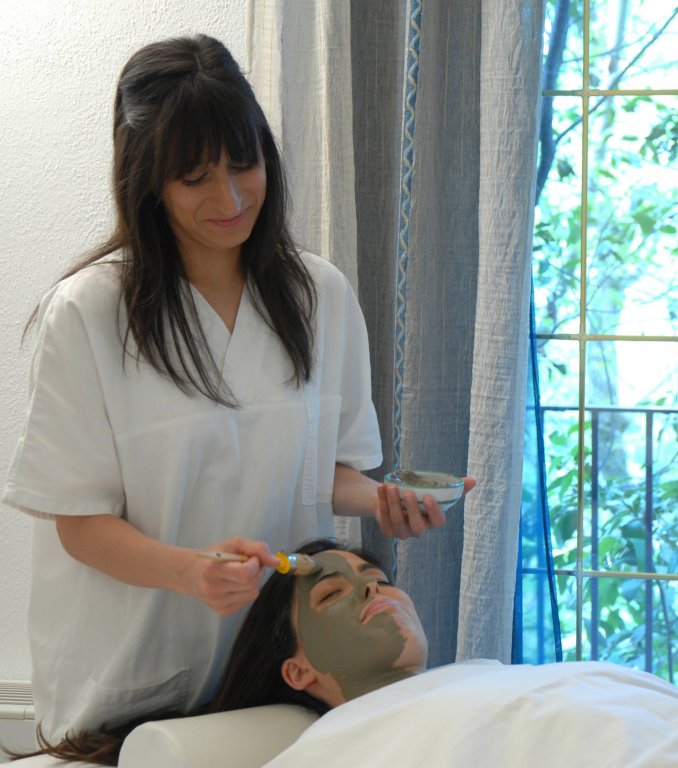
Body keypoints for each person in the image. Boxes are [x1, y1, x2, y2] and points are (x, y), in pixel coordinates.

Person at [2, 34, 476, 744]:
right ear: (147, 180)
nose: (229, 197)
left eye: (243, 163)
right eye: (194, 177)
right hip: (130, 673)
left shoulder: (319, 295)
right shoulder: (91, 313)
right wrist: (189, 572)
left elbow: (321, 471)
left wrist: (383, 501)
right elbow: (80, 522)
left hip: (275, 674)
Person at [12, 539, 678, 767]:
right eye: (331, 594)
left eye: (377, 579)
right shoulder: (341, 750)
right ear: (297, 670)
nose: (374, 588)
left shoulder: (493, 678)